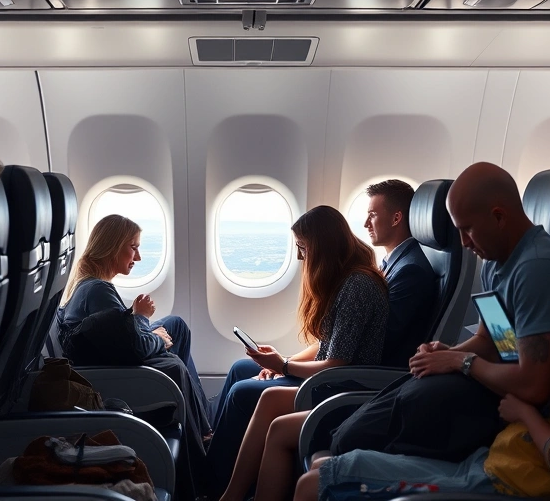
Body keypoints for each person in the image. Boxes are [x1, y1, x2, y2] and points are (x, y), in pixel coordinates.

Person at [327, 162, 550, 463]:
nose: (465, 243)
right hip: (495, 381)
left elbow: (534, 385)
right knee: (371, 416)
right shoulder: (496, 263)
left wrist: (461, 361)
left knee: (352, 439)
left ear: (498, 217)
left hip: (519, 402)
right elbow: (495, 340)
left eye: (468, 230)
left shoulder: (537, 269)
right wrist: (444, 356)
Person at [294, 298, 550, 501]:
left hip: (509, 485)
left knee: (315, 481)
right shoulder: (537, 312)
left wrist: (524, 413)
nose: (466, 242)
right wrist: (448, 354)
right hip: (495, 461)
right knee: (324, 462)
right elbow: (502, 347)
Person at [209, 205, 390, 497]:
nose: (299, 256)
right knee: (241, 369)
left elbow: (337, 363)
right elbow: (328, 342)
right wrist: (285, 359)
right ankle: (221, 467)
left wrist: (283, 366)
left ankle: (224, 489)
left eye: (303, 247)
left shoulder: (358, 286)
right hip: (332, 376)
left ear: (324, 247)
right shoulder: (346, 280)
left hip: (344, 384)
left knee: (259, 394)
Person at [56, 214, 212, 497]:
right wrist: (146, 326)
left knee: (175, 325)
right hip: (108, 373)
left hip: (107, 357)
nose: (137, 257)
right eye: (133, 247)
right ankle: (202, 445)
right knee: (173, 362)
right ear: (113, 247)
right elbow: (134, 348)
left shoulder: (90, 284)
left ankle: (202, 427)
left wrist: (145, 327)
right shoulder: (98, 289)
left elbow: (118, 335)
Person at [362, 179, 438, 367]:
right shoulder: (393, 263)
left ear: (396, 218)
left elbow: (382, 340)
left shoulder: (410, 271)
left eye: (372, 215)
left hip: (376, 373)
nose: (366, 224)